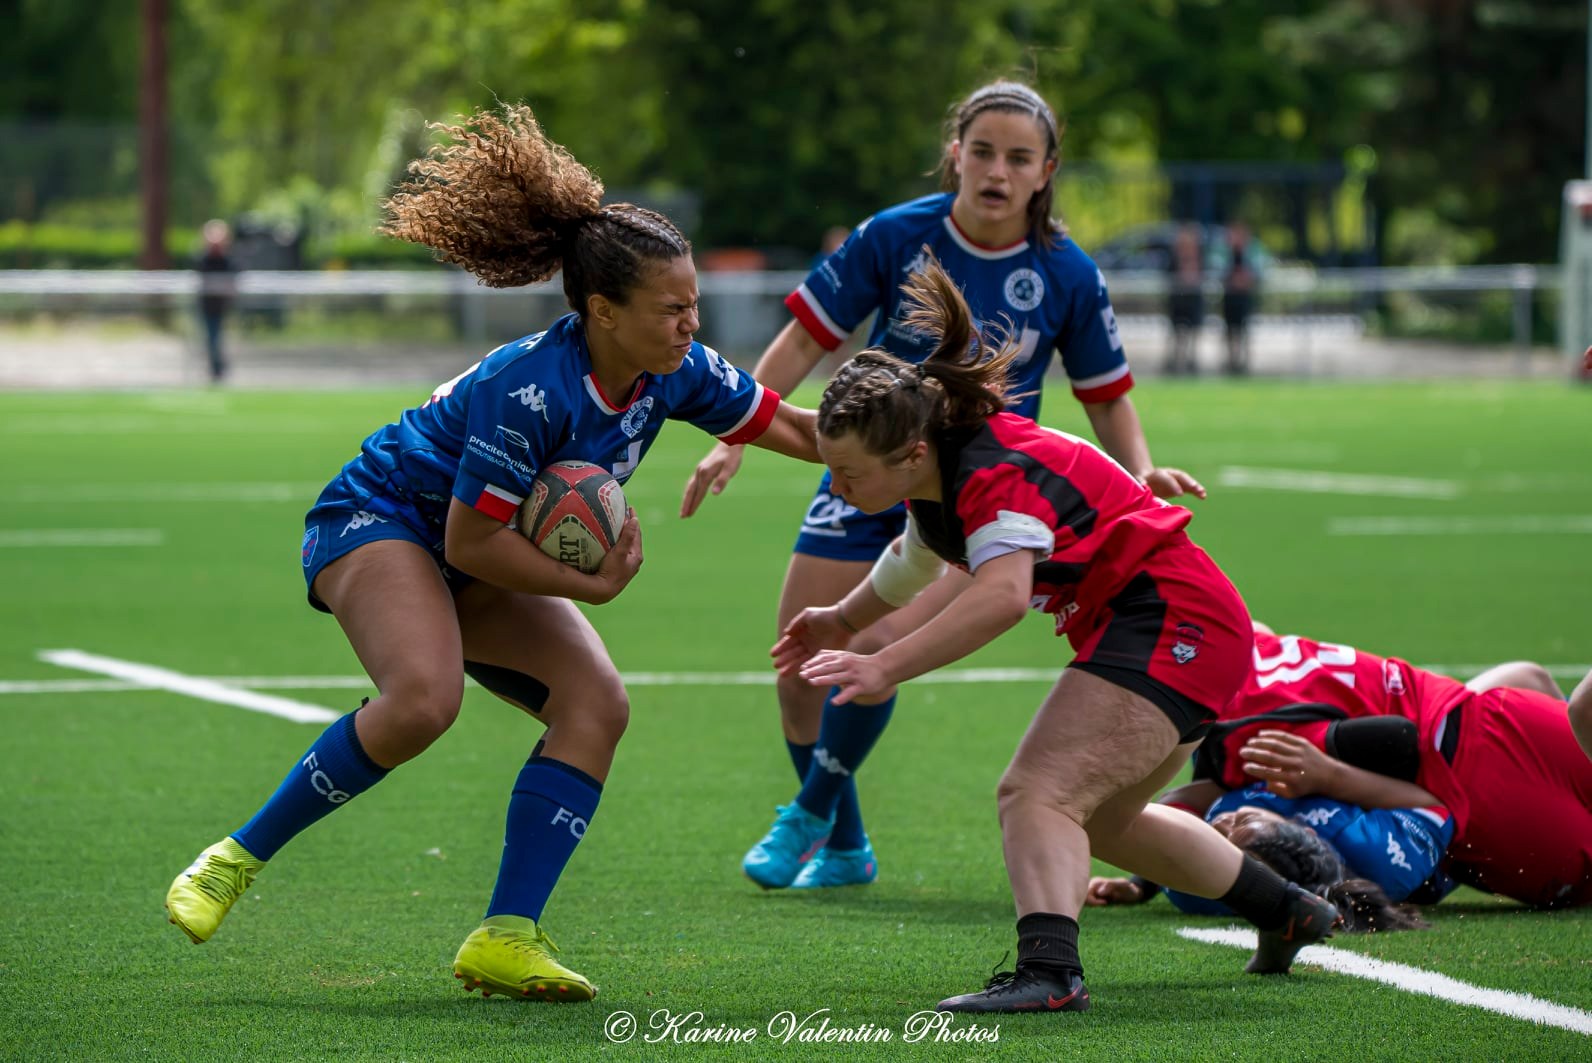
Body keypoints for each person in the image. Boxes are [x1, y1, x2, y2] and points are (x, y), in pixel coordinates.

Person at [163, 104, 821, 1002]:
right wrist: (593, 585)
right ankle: (233, 859)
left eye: (693, 304)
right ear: (602, 312)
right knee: (424, 701)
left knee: (597, 702)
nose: (689, 323)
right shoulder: (530, 388)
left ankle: (505, 934)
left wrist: (923, 440)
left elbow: (794, 426)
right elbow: (472, 538)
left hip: (481, 547)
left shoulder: (679, 368)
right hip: (381, 516)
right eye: (672, 308)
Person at [771, 256, 1337, 1014]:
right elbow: (914, 561)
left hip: (1175, 621)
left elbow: (1001, 597)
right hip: (1174, 625)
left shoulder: (989, 471)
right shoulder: (939, 473)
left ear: (909, 453)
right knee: (1104, 819)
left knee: (1035, 792)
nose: (836, 487)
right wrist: (840, 620)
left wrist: (888, 665)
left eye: (846, 472)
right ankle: (1288, 908)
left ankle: (1051, 973)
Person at [681, 79, 1202, 893]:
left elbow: (1104, 391)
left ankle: (809, 809)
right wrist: (736, 432)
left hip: (977, 499)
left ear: (1046, 171)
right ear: (956, 154)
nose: (997, 170)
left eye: (1019, 157)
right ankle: (844, 842)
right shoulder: (895, 236)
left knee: (877, 642)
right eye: (984, 151)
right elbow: (808, 336)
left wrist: (1141, 468)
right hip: (869, 467)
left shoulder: (1066, 271)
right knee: (801, 659)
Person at [1200, 625, 1592, 910]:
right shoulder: (1246, 648)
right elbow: (1535, 679)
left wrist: (1329, 776)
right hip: (1498, 736)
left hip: (1488, 791)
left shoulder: (1237, 732)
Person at [1086, 783, 1449, 933]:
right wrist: (1332, 773)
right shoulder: (1376, 851)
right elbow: (1440, 803)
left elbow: (1179, 806)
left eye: (1218, 838)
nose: (1218, 822)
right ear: (1304, 830)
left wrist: (1140, 884)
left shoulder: (1194, 889)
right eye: (1243, 821)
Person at [195, 219, 239, 383]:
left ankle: (220, 368)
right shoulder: (202, 258)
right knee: (211, 338)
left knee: (221, 338)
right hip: (207, 306)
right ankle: (216, 369)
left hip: (224, 306)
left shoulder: (229, 260)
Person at [1217, 221, 1262, 376]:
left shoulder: (1252, 252)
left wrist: (1245, 279)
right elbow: (1218, 270)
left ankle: (1243, 362)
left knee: (1244, 330)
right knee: (1229, 330)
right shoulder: (1224, 253)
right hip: (1230, 297)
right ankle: (1231, 360)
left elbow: (1258, 271)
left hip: (1244, 298)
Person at [1164, 222, 1203, 376]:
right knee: (1176, 333)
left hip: (1192, 301)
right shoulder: (1173, 260)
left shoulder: (1199, 258)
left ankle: (1190, 361)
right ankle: (1174, 361)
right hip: (1177, 303)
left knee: (1192, 332)